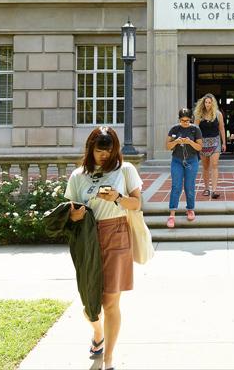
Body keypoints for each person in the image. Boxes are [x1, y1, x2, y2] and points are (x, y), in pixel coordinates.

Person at [65, 126, 143, 368]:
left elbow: (137, 204)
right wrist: (75, 215)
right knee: (91, 305)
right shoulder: (78, 175)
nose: (104, 156)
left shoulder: (126, 170)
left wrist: (118, 198)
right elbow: (71, 212)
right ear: (91, 150)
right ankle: (98, 334)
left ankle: (108, 359)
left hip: (116, 233)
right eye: (100, 151)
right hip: (87, 237)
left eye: (108, 151)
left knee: (110, 302)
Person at [165, 108, 203, 228]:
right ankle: (172, 214)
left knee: (189, 185)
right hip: (177, 161)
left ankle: (190, 208)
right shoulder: (174, 129)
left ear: (191, 119)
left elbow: (199, 147)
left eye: (187, 120)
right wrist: (176, 141)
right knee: (176, 185)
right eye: (183, 120)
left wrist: (190, 142)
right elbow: (167, 146)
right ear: (179, 119)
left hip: (192, 161)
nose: (185, 123)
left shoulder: (195, 129)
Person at [194, 93, 226, 199]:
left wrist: (224, 142)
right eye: (206, 102)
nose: (207, 104)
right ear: (203, 103)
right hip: (203, 143)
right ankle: (206, 188)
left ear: (213, 104)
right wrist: (195, 143)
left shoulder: (218, 114)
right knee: (206, 166)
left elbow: (222, 128)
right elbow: (195, 129)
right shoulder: (199, 115)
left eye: (209, 102)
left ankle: (214, 190)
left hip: (215, 141)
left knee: (215, 164)